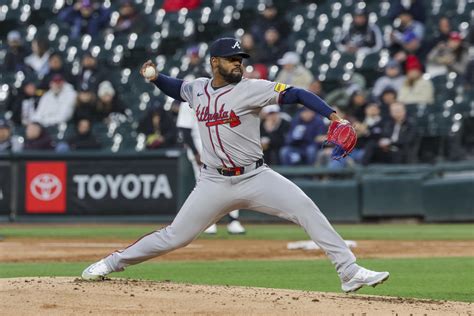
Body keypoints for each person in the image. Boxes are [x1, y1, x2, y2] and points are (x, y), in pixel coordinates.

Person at [82, 37, 390, 293]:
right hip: (213, 182)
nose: (238, 64)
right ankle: (111, 262)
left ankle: (348, 271)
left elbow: (295, 94)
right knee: (177, 236)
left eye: (240, 59)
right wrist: (154, 78)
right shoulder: (198, 89)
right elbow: (177, 88)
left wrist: (333, 117)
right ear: (215, 62)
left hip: (256, 176)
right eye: (232, 59)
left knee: (306, 207)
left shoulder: (251, 88)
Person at [176, 95, 246, 234]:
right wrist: (196, 153)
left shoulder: (223, 97)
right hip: (201, 149)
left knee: (231, 183)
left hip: (224, 148)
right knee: (205, 187)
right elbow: (184, 131)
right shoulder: (189, 102)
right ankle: (208, 222)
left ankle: (233, 221)